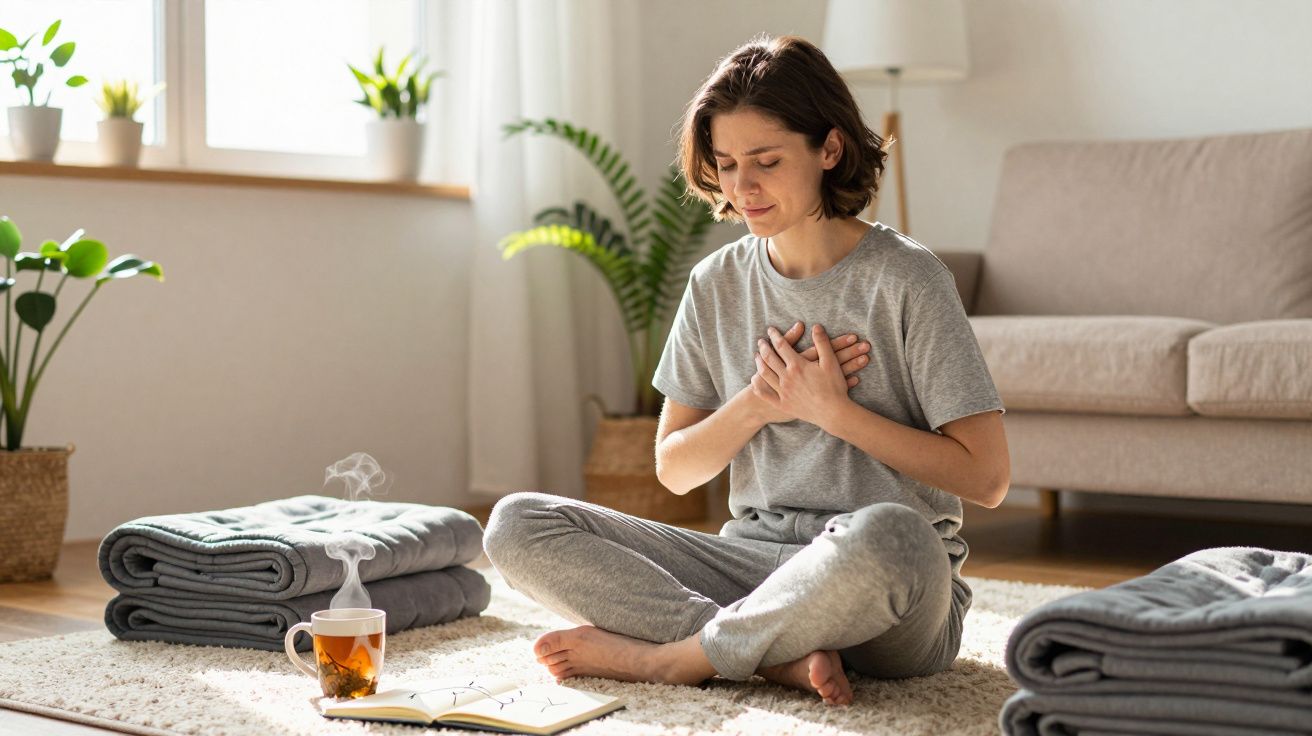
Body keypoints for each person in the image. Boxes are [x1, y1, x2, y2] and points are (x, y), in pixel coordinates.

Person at [482, 33, 1009, 707]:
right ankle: (762, 656)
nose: (743, 186)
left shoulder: (908, 279)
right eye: (727, 164)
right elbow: (675, 468)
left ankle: (675, 660)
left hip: (884, 591)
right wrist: (760, 403)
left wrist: (834, 413)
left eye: (765, 160)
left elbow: (988, 478)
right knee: (517, 524)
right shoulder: (715, 284)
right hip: (751, 568)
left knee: (894, 535)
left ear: (829, 149)